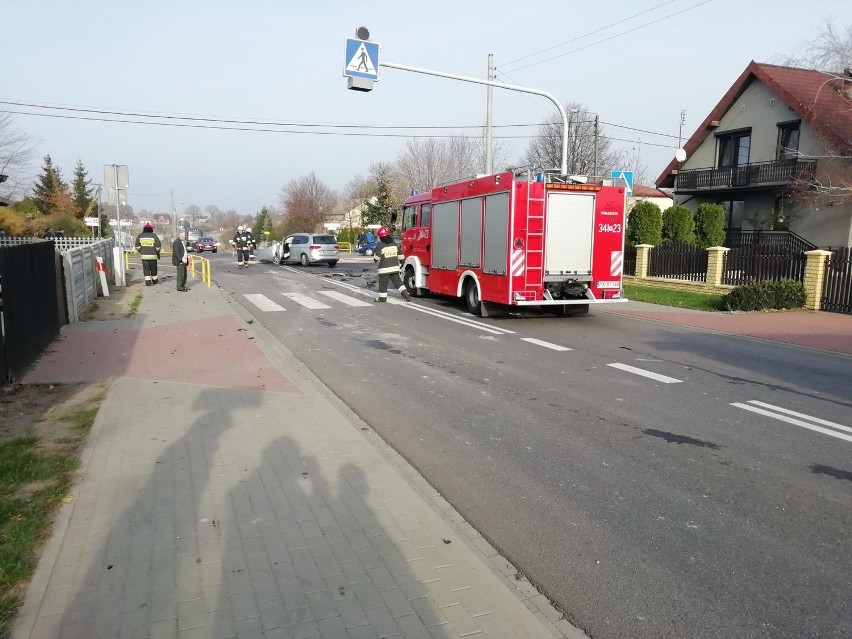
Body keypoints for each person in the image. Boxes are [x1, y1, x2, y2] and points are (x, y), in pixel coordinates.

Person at [373, 226, 411, 303]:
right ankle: (406, 294)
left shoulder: (380, 245)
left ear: (380, 236)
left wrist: (375, 257)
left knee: (383, 284)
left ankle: (382, 298)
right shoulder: (394, 244)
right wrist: (402, 262)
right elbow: (401, 255)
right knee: (398, 282)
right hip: (395, 268)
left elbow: (376, 258)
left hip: (384, 269)